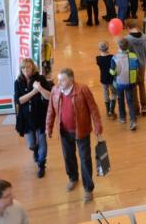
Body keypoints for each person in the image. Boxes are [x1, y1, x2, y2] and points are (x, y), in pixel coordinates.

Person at [45, 67, 103, 200]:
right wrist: (48, 127)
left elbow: (93, 108)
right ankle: (73, 178)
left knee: (85, 159)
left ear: (71, 79)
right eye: (59, 80)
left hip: (81, 131)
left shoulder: (82, 89)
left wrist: (98, 126)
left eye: (62, 80)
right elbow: (51, 110)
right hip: (64, 132)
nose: (59, 83)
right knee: (68, 157)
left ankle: (88, 188)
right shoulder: (55, 90)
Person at [14, 58, 52, 178]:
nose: (26, 70)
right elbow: (19, 100)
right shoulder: (18, 82)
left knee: (42, 141)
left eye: (28, 67)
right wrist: (34, 92)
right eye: (23, 68)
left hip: (40, 115)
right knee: (31, 144)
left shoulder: (40, 79)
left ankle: (41, 164)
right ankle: (35, 150)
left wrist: (40, 88)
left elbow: (49, 96)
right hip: (26, 118)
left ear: (33, 67)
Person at [109, 38, 139, 130]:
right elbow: (137, 68)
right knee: (130, 101)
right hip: (130, 82)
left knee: (120, 99)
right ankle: (133, 120)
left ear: (119, 46)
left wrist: (111, 71)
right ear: (128, 46)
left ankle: (122, 118)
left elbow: (112, 72)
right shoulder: (133, 56)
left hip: (119, 83)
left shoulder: (115, 57)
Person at [124, 19, 146, 116]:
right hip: (142, 65)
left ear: (128, 28)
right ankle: (144, 106)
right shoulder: (145, 38)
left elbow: (125, 54)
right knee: (141, 85)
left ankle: (136, 109)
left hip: (132, 67)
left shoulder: (127, 39)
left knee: (133, 87)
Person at [96, 41, 117, 119]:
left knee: (105, 94)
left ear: (99, 49)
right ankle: (112, 111)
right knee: (113, 93)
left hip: (103, 79)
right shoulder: (112, 57)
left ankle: (108, 111)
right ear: (108, 48)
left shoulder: (98, 59)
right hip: (112, 78)